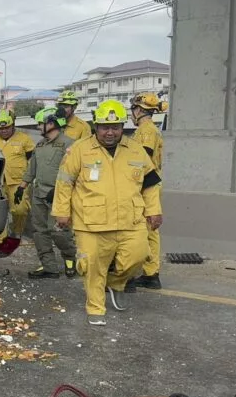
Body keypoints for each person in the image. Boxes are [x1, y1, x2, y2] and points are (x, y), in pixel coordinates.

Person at [52, 100, 163, 326]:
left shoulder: (136, 150)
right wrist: (62, 212)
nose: (110, 132)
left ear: (122, 127)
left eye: (115, 127)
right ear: (96, 126)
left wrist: (154, 210)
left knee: (139, 256)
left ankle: (116, 283)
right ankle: (95, 307)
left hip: (131, 220)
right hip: (90, 222)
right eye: (105, 127)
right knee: (92, 265)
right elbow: (64, 182)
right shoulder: (79, 150)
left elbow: (150, 184)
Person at [18, 107, 77, 279]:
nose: (38, 127)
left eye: (40, 123)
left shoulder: (69, 144)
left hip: (58, 196)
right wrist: (22, 187)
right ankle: (49, 267)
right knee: (40, 232)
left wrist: (59, 190)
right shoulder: (40, 144)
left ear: (51, 124)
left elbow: (74, 172)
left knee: (59, 231)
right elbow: (32, 168)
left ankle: (70, 258)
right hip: (38, 194)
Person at [126, 92, 167, 292]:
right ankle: (150, 273)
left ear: (140, 110)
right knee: (148, 230)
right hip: (147, 184)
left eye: (133, 109)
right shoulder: (148, 129)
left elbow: (143, 158)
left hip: (145, 185)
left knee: (145, 230)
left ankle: (146, 273)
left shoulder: (147, 130)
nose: (132, 113)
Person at [0, 109, 35, 258]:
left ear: (13, 124)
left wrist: (29, 179)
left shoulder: (24, 139)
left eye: (7, 127)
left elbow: (32, 160)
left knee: (20, 210)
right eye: (0, 128)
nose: (4, 131)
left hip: (18, 182)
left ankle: (16, 233)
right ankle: (0, 241)